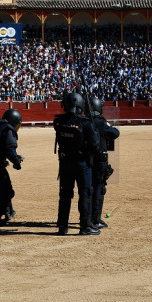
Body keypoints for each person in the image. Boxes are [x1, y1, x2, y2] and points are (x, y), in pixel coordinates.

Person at [54, 92, 100, 236]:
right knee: (85, 194)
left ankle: (62, 226)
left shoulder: (59, 122)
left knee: (65, 195)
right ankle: (85, 226)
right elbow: (94, 144)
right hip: (82, 163)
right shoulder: (85, 123)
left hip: (64, 162)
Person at [88, 96, 120, 229]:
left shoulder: (85, 121)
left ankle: (86, 218)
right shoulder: (100, 122)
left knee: (88, 189)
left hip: (87, 160)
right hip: (99, 160)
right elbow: (115, 133)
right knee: (99, 189)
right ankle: (95, 219)